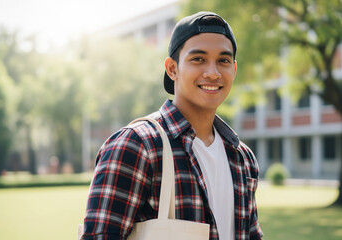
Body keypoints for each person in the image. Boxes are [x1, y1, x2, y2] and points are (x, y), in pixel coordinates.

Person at [82, 11, 263, 240]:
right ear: (172, 68)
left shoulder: (242, 158)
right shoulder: (137, 145)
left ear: (233, 70)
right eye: (198, 59)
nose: (213, 72)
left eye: (223, 61)